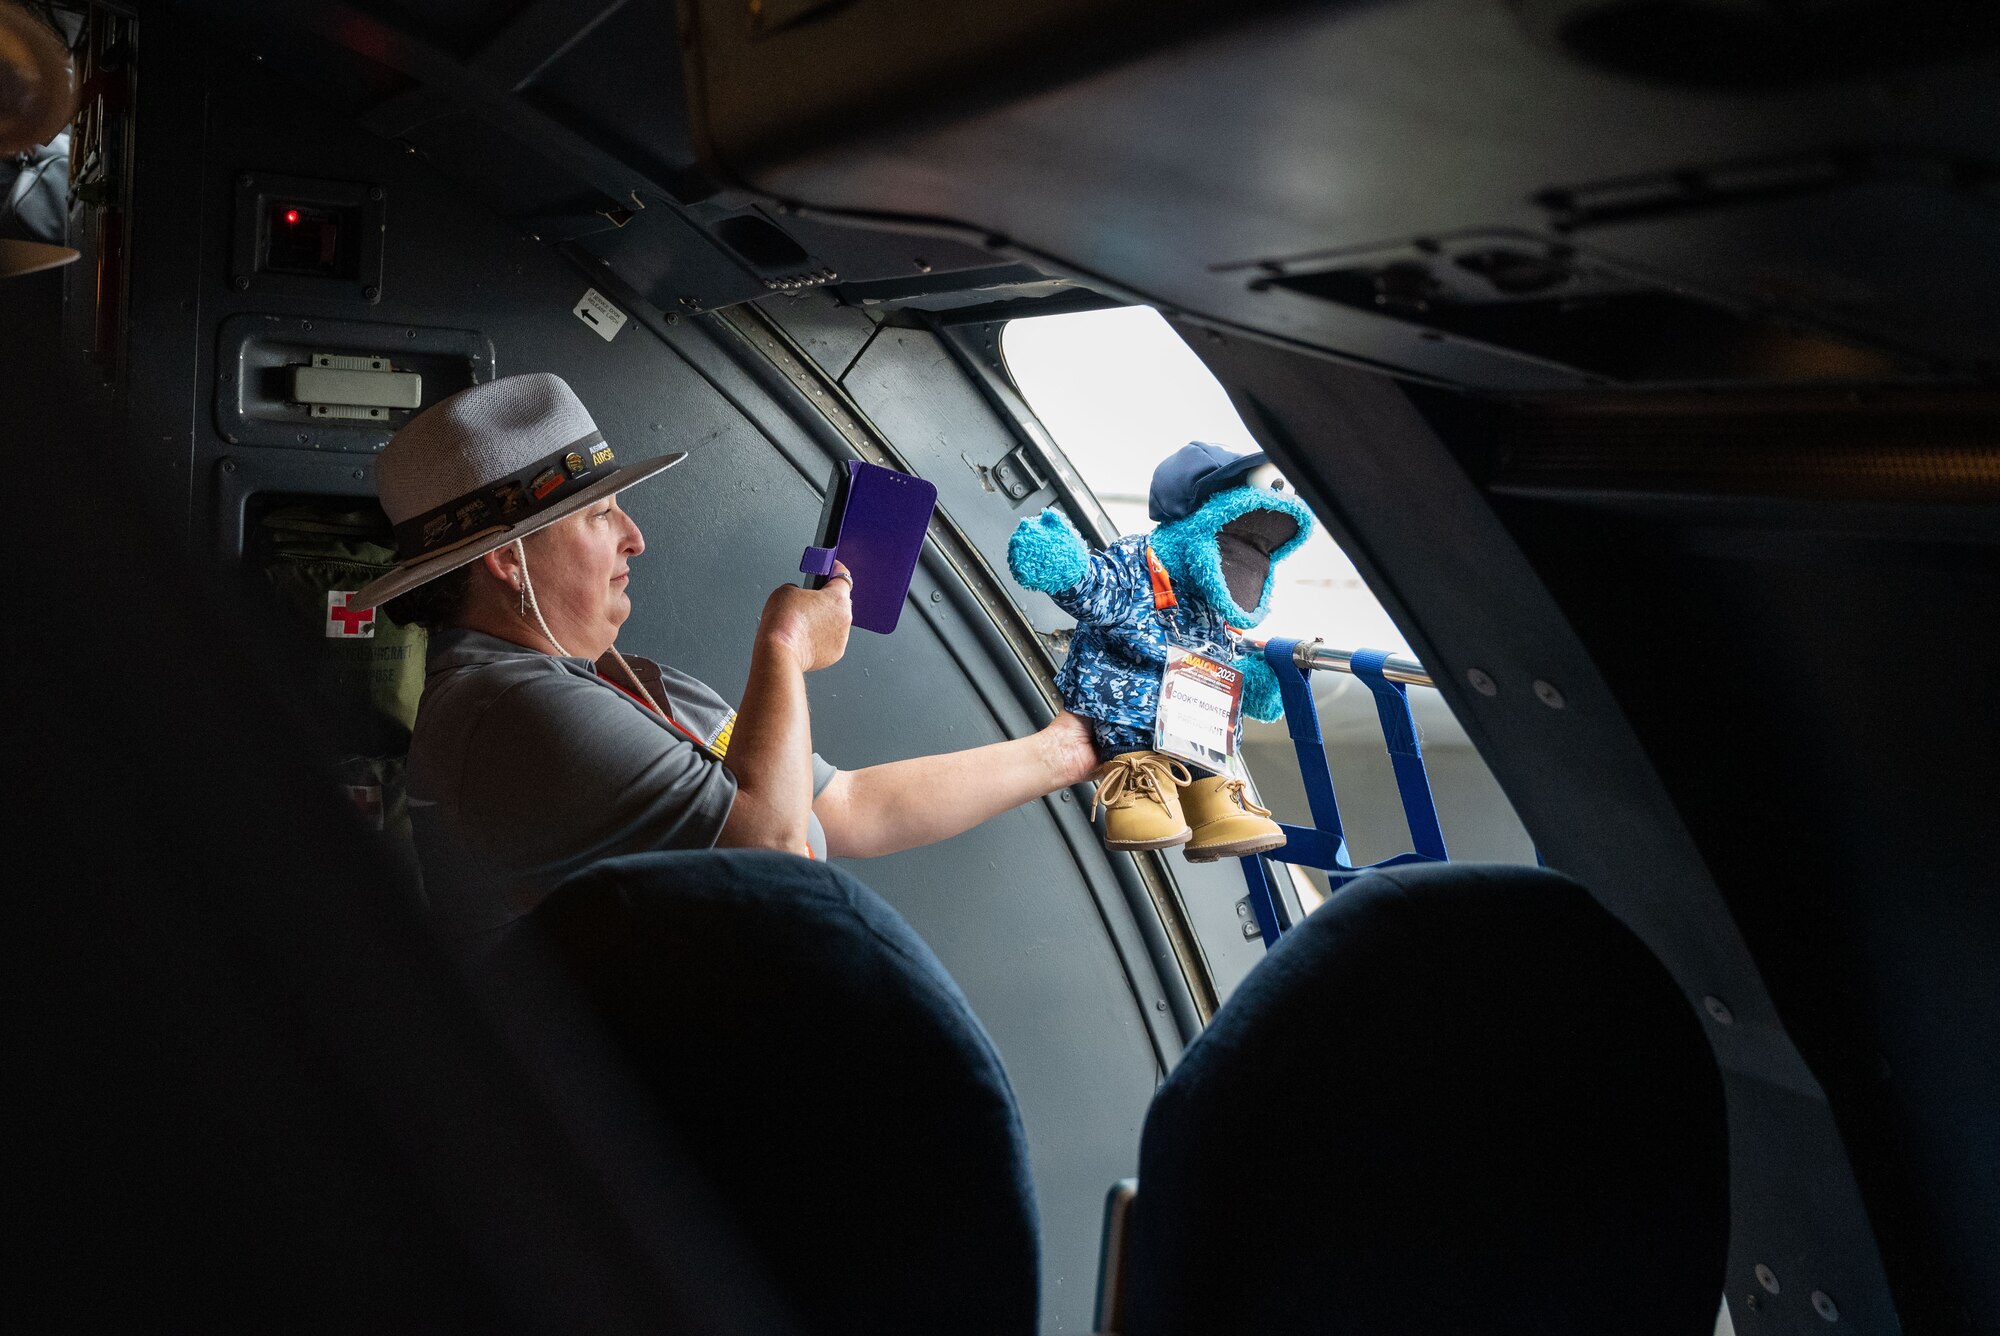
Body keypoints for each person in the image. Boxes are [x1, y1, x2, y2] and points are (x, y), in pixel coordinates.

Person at [350, 373, 1097, 948]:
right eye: (599, 514)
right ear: (508, 561)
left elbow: (841, 808)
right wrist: (784, 648)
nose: (634, 536)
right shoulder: (503, 712)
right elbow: (768, 853)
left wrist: (1067, 750)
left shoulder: (617, 682)